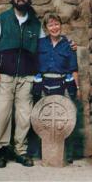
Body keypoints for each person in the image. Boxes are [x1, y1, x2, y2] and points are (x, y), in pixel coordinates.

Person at [0, 0, 41, 168]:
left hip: (27, 77)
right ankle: (2, 150)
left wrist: (68, 43)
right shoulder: (2, 19)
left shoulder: (35, 23)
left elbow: (44, 46)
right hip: (5, 76)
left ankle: (21, 151)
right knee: (2, 114)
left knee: (24, 116)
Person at [32, 13, 81, 163]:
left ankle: (67, 153)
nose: (54, 27)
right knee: (42, 118)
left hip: (64, 83)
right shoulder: (40, 44)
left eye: (56, 24)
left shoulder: (68, 45)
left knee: (67, 117)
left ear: (61, 25)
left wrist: (77, 88)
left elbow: (74, 69)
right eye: (51, 25)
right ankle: (43, 152)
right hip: (43, 83)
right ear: (46, 28)